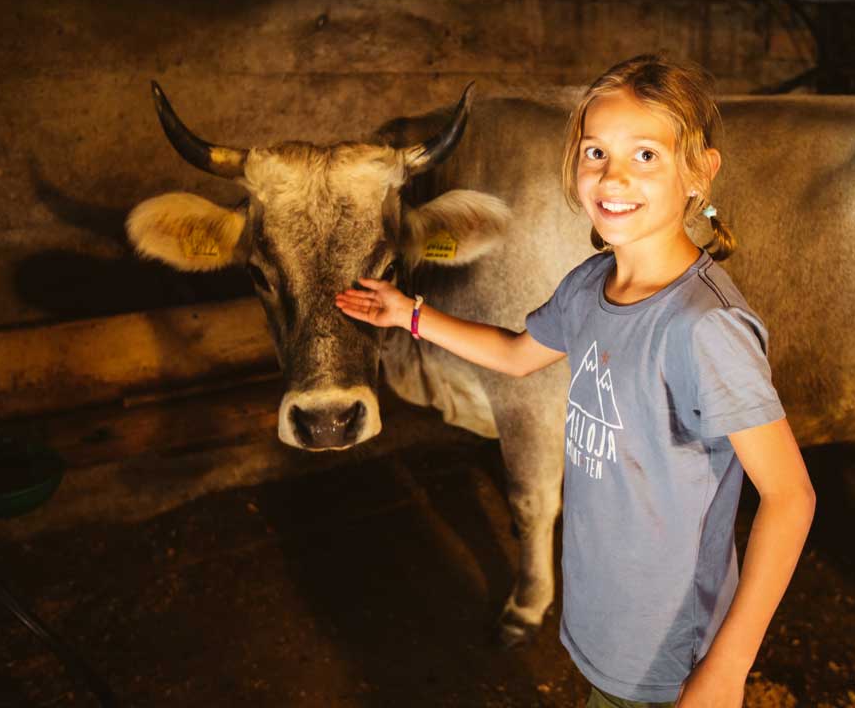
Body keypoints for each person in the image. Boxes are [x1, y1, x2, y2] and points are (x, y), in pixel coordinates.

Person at [335, 54, 816, 708]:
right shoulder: (590, 285)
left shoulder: (705, 328)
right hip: (601, 620)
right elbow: (515, 354)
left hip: (673, 650)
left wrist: (727, 669)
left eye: (645, 155)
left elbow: (790, 498)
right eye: (595, 152)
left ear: (700, 172)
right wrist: (409, 314)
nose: (613, 176)